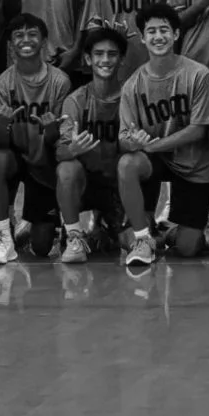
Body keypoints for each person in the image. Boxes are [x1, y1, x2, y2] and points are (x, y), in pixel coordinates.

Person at [116, 3, 209, 266]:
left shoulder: (198, 75)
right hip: (155, 163)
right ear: (142, 38)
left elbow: (199, 129)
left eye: (164, 30)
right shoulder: (133, 84)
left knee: (189, 248)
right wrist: (134, 142)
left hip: (193, 164)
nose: (158, 36)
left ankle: (169, 230)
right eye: (151, 31)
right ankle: (143, 237)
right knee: (127, 163)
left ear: (176, 34)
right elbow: (123, 137)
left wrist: (153, 146)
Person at [0, 13, 75, 264]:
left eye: (32, 34)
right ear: (11, 44)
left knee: (42, 247)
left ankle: (36, 223)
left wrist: (51, 131)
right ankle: (3, 235)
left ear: (44, 41)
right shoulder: (2, 84)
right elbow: (2, 143)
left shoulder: (60, 82)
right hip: (16, 157)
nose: (26, 40)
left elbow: (59, 141)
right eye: (19, 35)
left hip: (44, 160)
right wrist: (0, 126)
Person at [52, 27, 133, 263]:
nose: (105, 60)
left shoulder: (131, 97)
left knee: (136, 244)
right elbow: (59, 152)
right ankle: (75, 236)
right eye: (98, 54)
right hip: (85, 185)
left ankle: (109, 225)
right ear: (88, 59)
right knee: (67, 168)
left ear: (122, 59)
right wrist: (73, 149)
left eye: (112, 54)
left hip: (119, 187)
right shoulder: (75, 101)